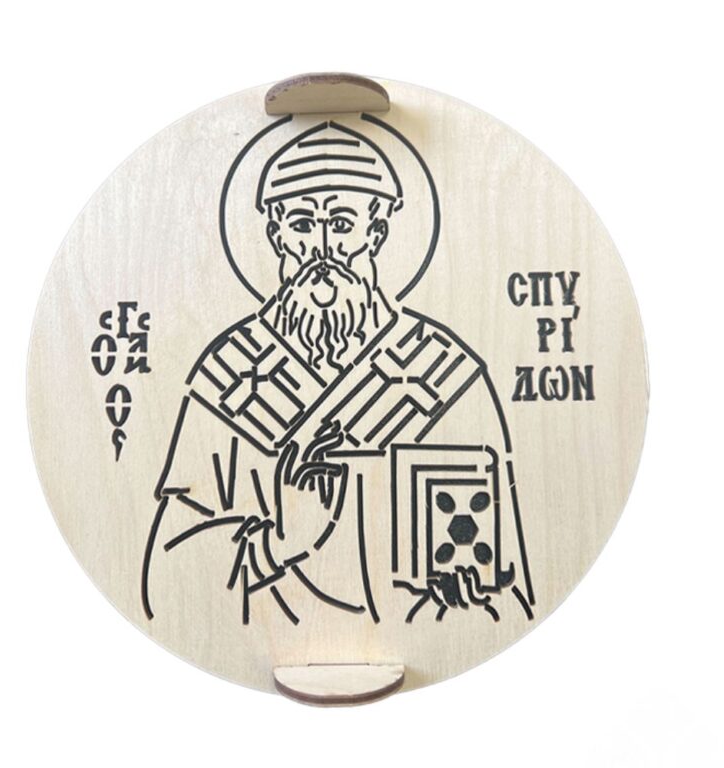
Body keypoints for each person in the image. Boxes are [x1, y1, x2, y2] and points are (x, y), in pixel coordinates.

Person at [141, 121, 534, 626]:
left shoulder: (445, 376)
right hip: (270, 633)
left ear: (377, 233)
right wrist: (278, 543)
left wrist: (469, 593)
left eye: (343, 223)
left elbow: (511, 587)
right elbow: (167, 579)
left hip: (409, 632)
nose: (323, 248)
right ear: (276, 236)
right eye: (303, 224)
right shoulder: (231, 377)